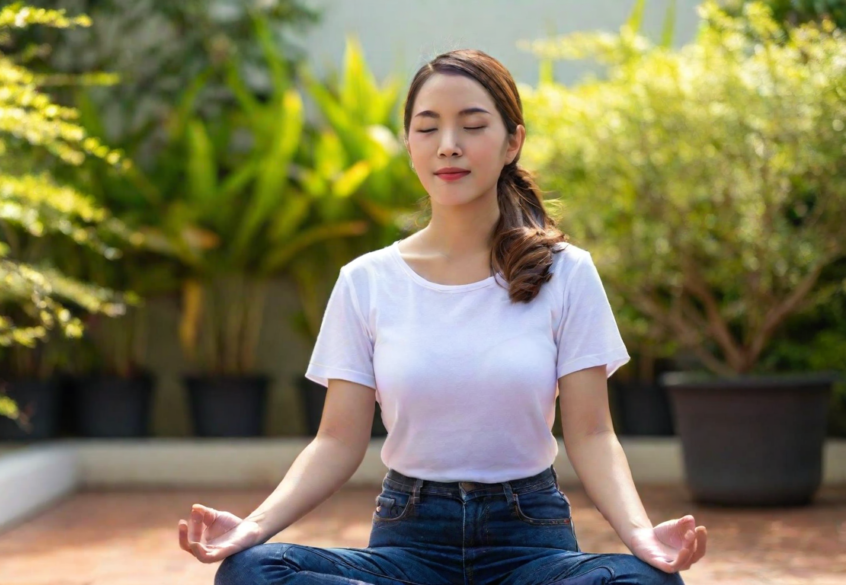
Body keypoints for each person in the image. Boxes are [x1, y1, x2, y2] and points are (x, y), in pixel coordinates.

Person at [178, 48, 708, 585]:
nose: (449, 145)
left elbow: (592, 433)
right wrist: (253, 527)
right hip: (408, 548)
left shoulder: (565, 273)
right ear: (409, 144)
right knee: (253, 571)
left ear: (512, 142)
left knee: (648, 583)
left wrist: (640, 535)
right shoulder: (367, 281)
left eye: (473, 125)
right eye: (427, 128)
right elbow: (337, 441)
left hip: (531, 547)